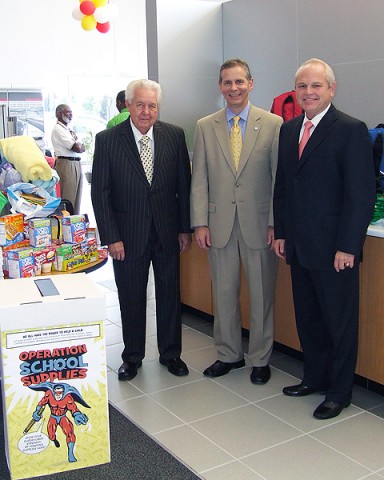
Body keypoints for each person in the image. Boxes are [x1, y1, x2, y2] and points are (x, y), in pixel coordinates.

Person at [273, 58, 376, 419]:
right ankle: (314, 378)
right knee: (309, 318)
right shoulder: (288, 130)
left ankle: (339, 391)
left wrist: (348, 246)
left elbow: (360, 195)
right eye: (302, 86)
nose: (308, 92)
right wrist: (282, 232)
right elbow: (283, 187)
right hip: (299, 247)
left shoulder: (350, 129)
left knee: (339, 322)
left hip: (335, 250)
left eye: (316, 86)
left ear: (331, 89)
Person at [91, 79, 192, 381]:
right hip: (127, 235)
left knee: (170, 295)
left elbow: (183, 188)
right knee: (132, 296)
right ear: (128, 104)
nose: (146, 111)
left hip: (167, 232)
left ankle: (171, 354)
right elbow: (101, 193)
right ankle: (132, 357)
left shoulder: (174, 136)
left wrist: (184, 229)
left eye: (152, 105)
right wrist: (111, 237)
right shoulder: (108, 139)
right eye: (140, 104)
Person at [190, 58, 283, 384]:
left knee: (262, 295)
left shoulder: (273, 124)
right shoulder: (205, 126)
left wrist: (276, 222)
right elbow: (198, 178)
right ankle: (228, 354)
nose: (234, 88)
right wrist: (199, 223)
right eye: (227, 83)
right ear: (220, 86)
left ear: (251, 83)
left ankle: (260, 358)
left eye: (239, 82)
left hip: (260, 225)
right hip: (220, 225)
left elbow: (277, 179)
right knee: (225, 294)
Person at [51, 104, 85, 214]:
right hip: (67, 164)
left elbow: (81, 147)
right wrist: (79, 146)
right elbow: (77, 147)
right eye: (68, 112)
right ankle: (67, 225)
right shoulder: (58, 129)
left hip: (75, 164)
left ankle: (75, 224)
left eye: (71, 112)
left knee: (77, 199)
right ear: (59, 114)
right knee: (68, 197)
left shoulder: (67, 129)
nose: (70, 115)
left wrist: (80, 146)